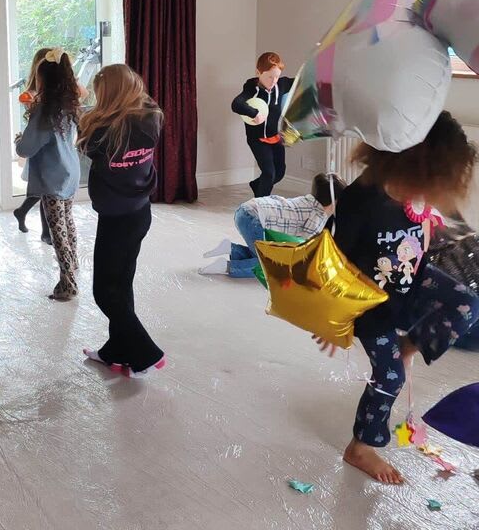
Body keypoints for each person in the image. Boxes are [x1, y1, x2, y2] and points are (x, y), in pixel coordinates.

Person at [316, 112, 479, 484]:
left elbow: (427, 240)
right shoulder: (362, 198)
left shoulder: (419, 196)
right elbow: (331, 261)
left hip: (411, 283)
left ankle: (410, 344)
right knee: (390, 378)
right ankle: (361, 447)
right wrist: (331, 317)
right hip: (370, 304)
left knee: (467, 303)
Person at [78, 64, 165, 378]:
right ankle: (115, 350)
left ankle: (146, 354)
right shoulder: (151, 117)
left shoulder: (101, 132)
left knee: (104, 291)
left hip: (116, 219)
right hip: (139, 212)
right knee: (121, 285)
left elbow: (85, 143)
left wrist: (80, 108)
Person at [15, 48, 81, 300]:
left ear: (44, 80)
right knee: (67, 221)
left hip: (53, 177)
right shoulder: (68, 105)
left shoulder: (44, 111)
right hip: (70, 171)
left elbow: (26, 148)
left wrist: (19, 140)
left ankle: (68, 283)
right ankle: (73, 264)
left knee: (57, 230)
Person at [201, 173, 346, 278]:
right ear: (334, 202)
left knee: (262, 253)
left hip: (246, 210)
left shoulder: (309, 201)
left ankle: (231, 248)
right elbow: (305, 248)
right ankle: (227, 267)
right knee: (271, 265)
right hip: (254, 219)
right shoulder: (317, 216)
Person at [231, 52, 294, 197]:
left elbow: (301, 82)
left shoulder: (281, 85)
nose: (273, 81)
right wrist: (254, 113)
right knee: (269, 173)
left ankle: (256, 185)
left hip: (275, 137)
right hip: (257, 139)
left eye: (276, 77)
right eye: (269, 77)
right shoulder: (251, 89)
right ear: (258, 73)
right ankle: (260, 204)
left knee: (279, 172)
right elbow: (236, 104)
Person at [13, 48, 53, 244]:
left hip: (48, 145)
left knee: (43, 190)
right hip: (39, 146)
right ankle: (45, 231)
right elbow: (32, 119)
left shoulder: (55, 94)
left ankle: (22, 212)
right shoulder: (31, 94)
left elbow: (83, 92)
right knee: (44, 190)